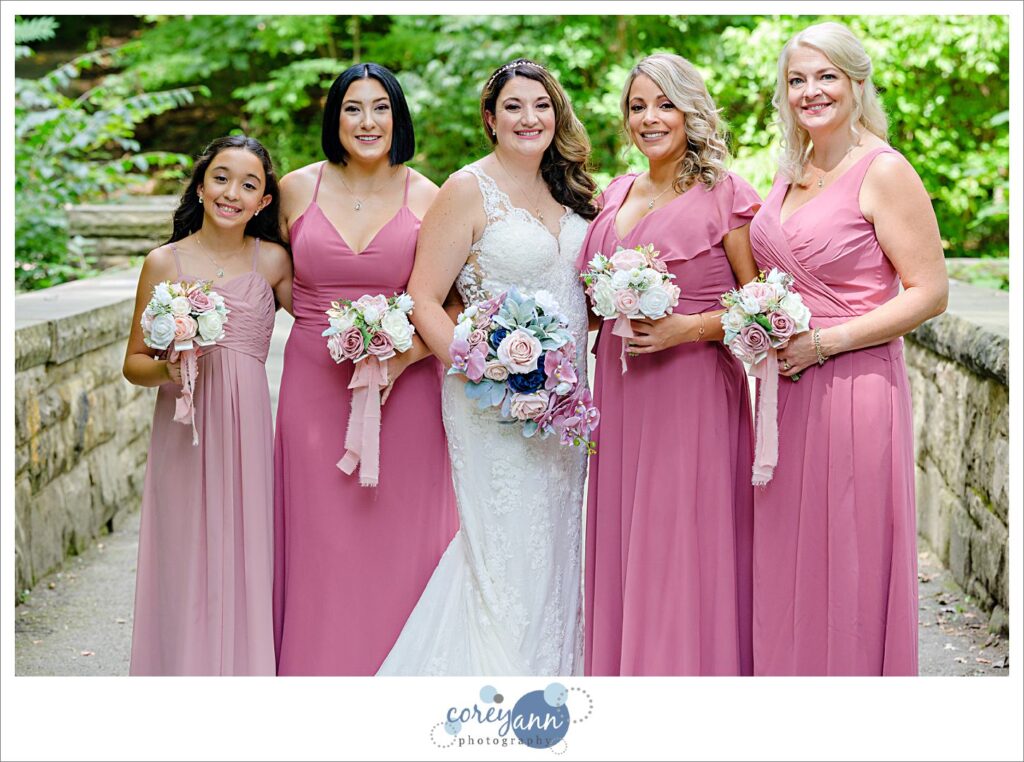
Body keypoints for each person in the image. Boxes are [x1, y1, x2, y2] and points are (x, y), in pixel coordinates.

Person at [377, 59, 598, 675]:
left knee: (558, 545)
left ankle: (557, 682)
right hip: (490, 407)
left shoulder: (575, 189)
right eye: (514, 107)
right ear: (490, 119)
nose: (530, 119)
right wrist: (483, 368)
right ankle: (498, 690)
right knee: (504, 549)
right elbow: (424, 297)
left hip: (566, 407)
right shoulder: (467, 189)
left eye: (542, 106)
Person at [749, 21, 947, 675]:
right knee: (787, 556)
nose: (811, 91)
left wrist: (827, 342)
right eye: (797, 79)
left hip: (857, 386)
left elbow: (929, 292)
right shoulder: (790, 169)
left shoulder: (884, 171)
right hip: (787, 396)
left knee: (848, 557)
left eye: (826, 75)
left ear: (856, 82)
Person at [272, 63, 458, 675]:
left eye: (381, 107)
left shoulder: (431, 197)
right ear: (335, 118)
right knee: (319, 537)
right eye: (353, 108)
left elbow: (453, 298)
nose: (367, 121)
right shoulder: (295, 190)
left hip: (404, 389)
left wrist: (402, 353)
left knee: (399, 534)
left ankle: (403, 672)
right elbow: (261, 270)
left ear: (398, 117)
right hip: (313, 388)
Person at [577, 54, 760, 676]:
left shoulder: (726, 195)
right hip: (620, 391)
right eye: (637, 106)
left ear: (690, 111)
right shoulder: (616, 192)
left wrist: (689, 329)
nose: (649, 118)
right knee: (628, 535)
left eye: (664, 104)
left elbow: (758, 309)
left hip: (692, 392)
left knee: (681, 538)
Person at [125, 135, 292, 675]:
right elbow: (133, 362)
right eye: (221, 178)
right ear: (200, 186)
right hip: (185, 427)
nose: (232, 193)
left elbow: (321, 325)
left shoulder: (273, 262)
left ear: (265, 201)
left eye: (250, 185)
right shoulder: (162, 263)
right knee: (184, 550)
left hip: (247, 431)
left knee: (246, 548)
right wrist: (171, 365)